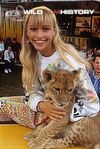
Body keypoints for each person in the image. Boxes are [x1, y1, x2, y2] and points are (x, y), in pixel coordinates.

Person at [0, 6, 99, 128]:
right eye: (33, 29)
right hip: (41, 107)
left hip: (54, 120)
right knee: (2, 102)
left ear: (54, 31)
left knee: (2, 106)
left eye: (45, 29)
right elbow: (29, 93)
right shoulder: (31, 56)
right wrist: (41, 104)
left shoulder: (69, 61)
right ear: (26, 33)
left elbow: (92, 104)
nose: (39, 35)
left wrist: (61, 114)